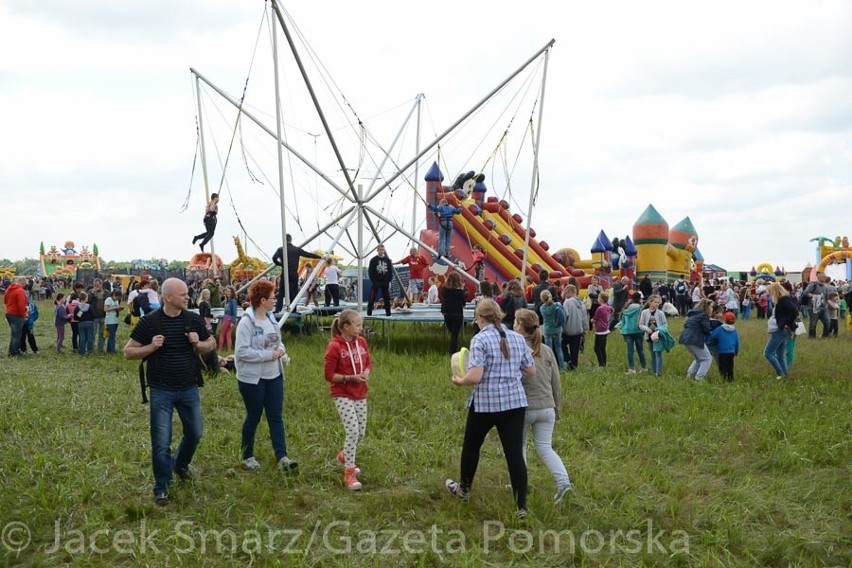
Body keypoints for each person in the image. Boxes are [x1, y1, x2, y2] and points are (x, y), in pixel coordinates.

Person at [124, 278, 216, 506]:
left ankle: (180, 464)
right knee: (161, 441)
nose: (187, 297)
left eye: (187, 294)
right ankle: (161, 486)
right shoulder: (150, 322)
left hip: (188, 387)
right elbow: (128, 352)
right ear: (168, 298)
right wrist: (151, 347)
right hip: (161, 390)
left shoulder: (193, 319)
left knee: (195, 432)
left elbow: (211, 344)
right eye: (183, 294)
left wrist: (198, 344)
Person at [445, 299, 535, 519]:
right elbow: (530, 370)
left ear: (481, 318)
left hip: (486, 403)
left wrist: (460, 380)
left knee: (471, 447)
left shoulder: (480, 339)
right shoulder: (517, 338)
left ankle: (464, 489)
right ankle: (521, 506)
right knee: (514, 454)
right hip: (514, 403)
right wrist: (509, 375)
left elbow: (475, 376)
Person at [234, 279, 298, 472]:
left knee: (275, 416)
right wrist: (269, 355)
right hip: (252, 379)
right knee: (254, 416)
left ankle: (282, 456)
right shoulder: (246, 323)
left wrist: (280, 351)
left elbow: (278, 342)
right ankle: (247, 456)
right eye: (272, 297)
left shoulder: (271, 319)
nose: (274, 300)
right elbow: (242, 352)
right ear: (262, 300)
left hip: (274, 376)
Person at [513, 308, 573, 503]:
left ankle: (519, 482)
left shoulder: (514, 348)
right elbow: (556, 382)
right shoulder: (546, 350)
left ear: (520, 326)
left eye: (515, 322)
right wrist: (556, 407)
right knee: (546, 448)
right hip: (547, 406)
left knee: (519, 446)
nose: (513, 325)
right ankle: (563, 482)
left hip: (523, 407)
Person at [323, 309, 372, 490]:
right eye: (357, 325)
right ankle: (349, 472)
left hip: (360, 392)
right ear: (345, 327)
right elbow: (328, 375)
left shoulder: (362, 342)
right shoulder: (335, 346)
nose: (360, 328)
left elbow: (367, 363)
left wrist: (365, 373)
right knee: (352, 431)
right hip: (342, 393)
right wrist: (350, 378)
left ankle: (345, 455)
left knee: (361, 433)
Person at [272, 234, 323, 312]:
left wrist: (281, 264)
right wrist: (320, 257)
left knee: (281, 292)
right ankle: (293, 309)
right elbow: (308, 254)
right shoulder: (296, 249)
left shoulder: (280, 249)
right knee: (293, 292)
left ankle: (277, 309)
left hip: (285, 272)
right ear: (291, 240)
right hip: (293, 273)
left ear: (284, 240)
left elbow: (274, 258)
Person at [764, 283, 799, 380]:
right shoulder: (783, 300)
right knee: (780, 354)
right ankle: (785, 374)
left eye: (770, 293)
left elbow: (794, 311)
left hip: (781, 331)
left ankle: (780, 373)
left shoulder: (783, 300)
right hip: (781, 330)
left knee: (768, 353)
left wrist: (786, 323)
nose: (770, 295)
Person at [679, 298, 714, 382]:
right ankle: (699, 379)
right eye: (712, 307)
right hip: (694, 338)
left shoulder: (693, 314)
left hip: (686, 338)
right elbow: (707, 329)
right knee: (707, 358)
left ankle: (690, 375)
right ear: (707, 307)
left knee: (699, 358)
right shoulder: (704, 315)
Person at [639, 294, 669, 376]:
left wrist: (659, 330)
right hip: (649, 336)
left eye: (658, 302)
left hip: (658, 336)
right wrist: (646, 329)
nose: (657, 304)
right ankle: (654, 370)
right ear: (650, 302)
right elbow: (640, 324)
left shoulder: (661, 313)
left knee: (658, 353)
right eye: (655, 302)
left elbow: (665, 324)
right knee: (652, 354)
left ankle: (658, 372)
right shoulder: (644, 312)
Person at [560, 285, 588, 371]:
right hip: (578, 330)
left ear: (569, 292)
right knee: (575, 349)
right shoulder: (581, 303)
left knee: (561, 344)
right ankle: (574, 366)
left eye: (565, 293)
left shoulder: (567, 302)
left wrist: (561, 327)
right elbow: (584, 318)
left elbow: (565, 315)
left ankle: (567, 360)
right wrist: (585, 329)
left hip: (568, 330)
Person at [619, 292, 646, 373]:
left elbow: (623, 320)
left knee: (630, 351)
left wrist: (623, 329)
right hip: (638, 330)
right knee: (640, 350)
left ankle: (631, 368)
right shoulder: (641, 308)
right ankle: (644, 367)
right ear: (639, 298)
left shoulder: (627, 309)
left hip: (628, 331)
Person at [708, 311, 739, 381]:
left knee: (722, 366)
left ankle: (723, 379)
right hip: (731, 352)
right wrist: (736, 351)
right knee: (730, 366)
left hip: (722, 351)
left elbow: (712, 336)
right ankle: (730, 379)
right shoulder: (735, 330)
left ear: (724, 320)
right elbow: (737, 342)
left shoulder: (720, 329)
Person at [539, 289, 565, 370]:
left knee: (549, 350)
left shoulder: (542, 308)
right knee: (559, 348)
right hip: (557, 329)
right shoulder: (557, 305)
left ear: (542, 299)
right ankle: (562, 367)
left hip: (548, 330)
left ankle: (550, 367)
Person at [441, 272, 466, 354]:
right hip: (457, 313)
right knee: (455, 334)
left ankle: (453, 349)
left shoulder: (444, 290)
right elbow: (463, 303)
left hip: (447, 313)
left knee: (452, 332)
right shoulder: (460, 291)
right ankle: (453, 351)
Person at [367, 244, 393, 317]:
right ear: (377, 250)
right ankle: (369, 313)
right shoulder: (373, 260)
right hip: (376, 282)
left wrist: (389, 280)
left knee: (386, 298)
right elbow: (370, 272)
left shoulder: (387, 260)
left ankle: (388, 313)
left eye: (383, 250)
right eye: (380, 250)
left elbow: (390, 271)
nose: (381, 251)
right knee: (372, 297)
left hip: (385, 282)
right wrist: (374, 281)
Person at [5, 276, 28, 357]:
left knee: (14, 334)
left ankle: (12, 351)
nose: (26, 283)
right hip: (16, 314)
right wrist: (24, 314)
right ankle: (14, 352)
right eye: (26, 282)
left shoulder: (9, 289)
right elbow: (21, 305)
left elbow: (5, 300)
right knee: (17, 335)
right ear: (23, 282)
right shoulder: (20, 291)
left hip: (9, 313)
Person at [592, 293, 613, 368]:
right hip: (606, 329)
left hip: (600, 330)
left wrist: (592, 320)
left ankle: (601, 365)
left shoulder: (600, 308)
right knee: (602, 347)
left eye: (598, 297)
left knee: (597, 348)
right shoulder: (608, 307)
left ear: (601, 299)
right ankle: (604, 363)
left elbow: (595, 319)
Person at [88, 279, 107, 353]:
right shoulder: (91, 292)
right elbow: (87, 301)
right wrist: (92, 293)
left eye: (97, 285)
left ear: (101, 285)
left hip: (103, 315)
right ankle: (91, 349)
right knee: (92, 333)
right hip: (94, 316)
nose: (96, 287)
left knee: (102, 334)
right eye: (95, 285)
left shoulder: (106, 292)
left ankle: (100, 349)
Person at [103, 289, 124, 354]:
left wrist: (119, 309)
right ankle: (112, 351)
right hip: (110, 320)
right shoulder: (109, 299)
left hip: (115, 320)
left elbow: (115, 309)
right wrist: (115, 308)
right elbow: (105, 309)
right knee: (112, 336)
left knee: (112, 335)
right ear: (114, 295)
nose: (118, 299)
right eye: (117, 297)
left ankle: (109, 350)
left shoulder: (116, 301)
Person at [219, 286, 238, 352]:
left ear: (232, 292)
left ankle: (220, 349)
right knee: (227, 334)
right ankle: (229, 350)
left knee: (222, 333)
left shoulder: (233, 301)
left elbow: (234, 312)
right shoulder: (227, 301)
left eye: (229, 291)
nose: (228, 293)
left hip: (228, 319)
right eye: (227, 291)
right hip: (227, 318)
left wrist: (233, 322)